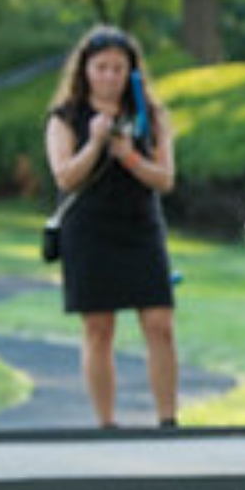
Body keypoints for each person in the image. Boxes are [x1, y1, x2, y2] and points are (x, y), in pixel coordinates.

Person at [44, 24, 182, 430]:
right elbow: (65, 177)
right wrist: (94, 143)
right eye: (101, 67)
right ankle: (106, 423)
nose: (109, 77)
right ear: (85, 70)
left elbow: (165, 178)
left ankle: (168, 420)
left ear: (132, 73)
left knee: (160, 323)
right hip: (90, 229)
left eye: (118, 69)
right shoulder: (66, 118)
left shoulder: (151, 115)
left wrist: (128, 156)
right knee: (98, 327)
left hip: (139, 225)